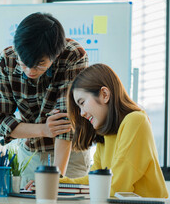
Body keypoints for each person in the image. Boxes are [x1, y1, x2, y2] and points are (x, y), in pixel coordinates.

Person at [0, 12, 91, 187]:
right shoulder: (4, 62)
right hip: (31, 152)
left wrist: (55, 180)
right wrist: (44, 129)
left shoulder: (72, 56)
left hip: (70, 154)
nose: (30, 71)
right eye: (23, 63)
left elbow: (65, 124)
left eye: (40, 64)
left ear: (56, 54)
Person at [61, 63, 168, 198]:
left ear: (104, 94)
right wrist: (56, 183)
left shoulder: (136, 120)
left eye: (82, 103)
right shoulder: (104, 134)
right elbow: (93, 181)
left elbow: (116, 186)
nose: (81, 113)